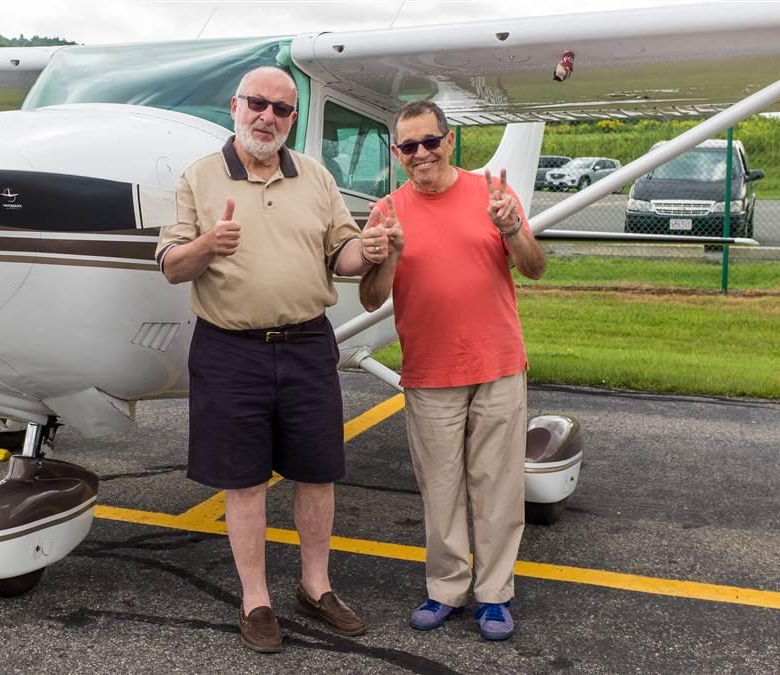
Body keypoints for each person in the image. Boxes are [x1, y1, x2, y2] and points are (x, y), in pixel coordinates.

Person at [157, 66, 391, 653]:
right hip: (230, 350)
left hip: (309, 345)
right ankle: (255, 599)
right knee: (245, 482)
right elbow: (170, 264)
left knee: (318, 474)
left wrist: (373, 247)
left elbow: (343, 255)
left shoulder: (315, 177)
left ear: (292, 118)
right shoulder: (198, 177)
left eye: (281, 109)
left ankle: (316, 586)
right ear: (235, 106)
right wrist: (207, 246)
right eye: (257, 104)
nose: (267, 116)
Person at [359, 100, 547, 642]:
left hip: (497, 364)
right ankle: (445, 589)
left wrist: (513, 229)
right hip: (429, 372)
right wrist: (388, 255)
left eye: (429, 142)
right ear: (398, 155)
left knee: (498, 487)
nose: (420, 154)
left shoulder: (493, 193)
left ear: (450, 141)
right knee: (439, 490)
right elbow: (372, 299)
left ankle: (494, 596)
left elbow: (534, 268)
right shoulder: (387, 211)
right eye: (408, 147)